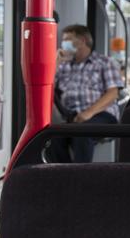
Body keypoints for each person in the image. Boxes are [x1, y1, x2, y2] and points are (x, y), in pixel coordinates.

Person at [49, 24, 123, 163]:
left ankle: (81, 179)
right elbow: (48, 86)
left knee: (82, 133)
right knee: (53, 137)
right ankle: (64, 176)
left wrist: (88, 113)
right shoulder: (64, 66)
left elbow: (113, 93)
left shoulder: (104, 62)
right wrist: (55, 63)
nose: (63, 44)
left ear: (82, 41)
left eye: (68, 39)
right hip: (73, 116)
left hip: (101, 113)